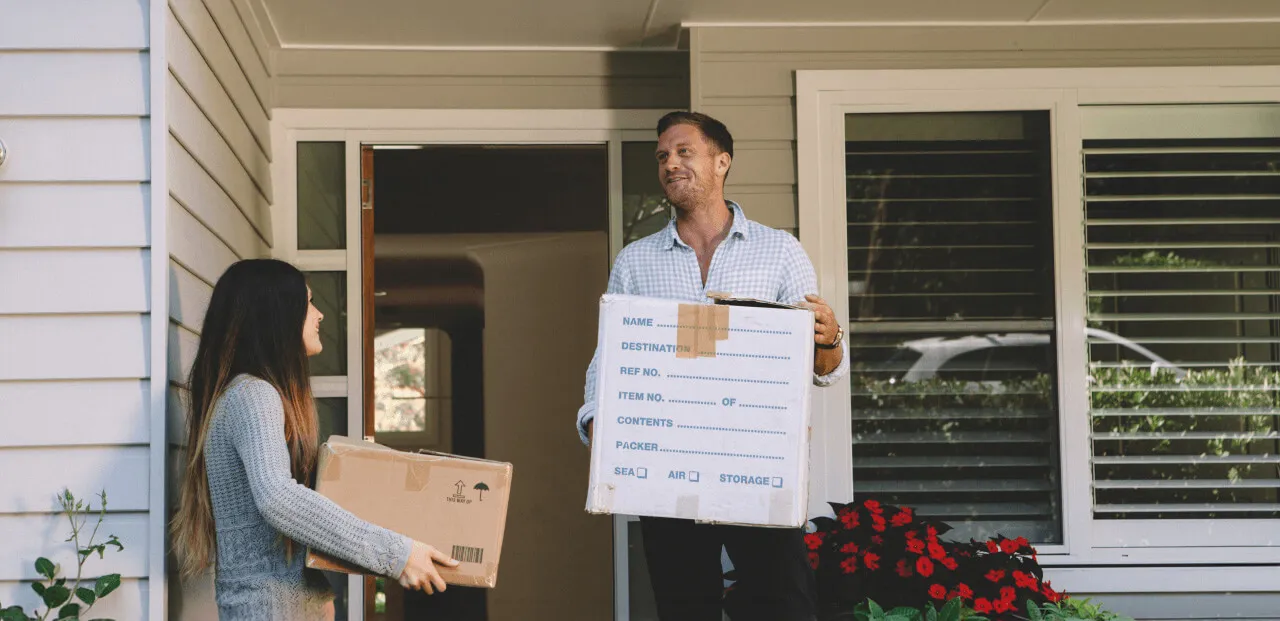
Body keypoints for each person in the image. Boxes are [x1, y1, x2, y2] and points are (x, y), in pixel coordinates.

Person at [576, 111, 850, 621]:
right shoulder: (636, 261)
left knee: (784, 604)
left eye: (684, 152)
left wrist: (829, 334)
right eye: (662, 156)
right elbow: (609, 357)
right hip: (668, 466)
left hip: (757, 465)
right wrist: (597, 420)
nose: (670, 164)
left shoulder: (779, 251)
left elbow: (823, 368)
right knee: (684, 607)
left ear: (721, 162)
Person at [171, 258, 457, 620]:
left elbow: (273, 543)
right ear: (276, 314)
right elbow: (278, 498)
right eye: (308, 303)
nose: (319, 314)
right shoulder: (252, 396)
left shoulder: (249, 394)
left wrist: (316, 588)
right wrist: (397, 554)